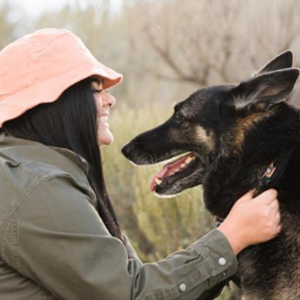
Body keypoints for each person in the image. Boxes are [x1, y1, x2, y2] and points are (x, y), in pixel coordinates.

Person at [0, 28, 281, 300]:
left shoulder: (28, 175)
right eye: (96, 91)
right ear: (55, 103)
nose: (110, 100)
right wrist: (231, 238)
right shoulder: (37, 189)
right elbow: (129, 294)